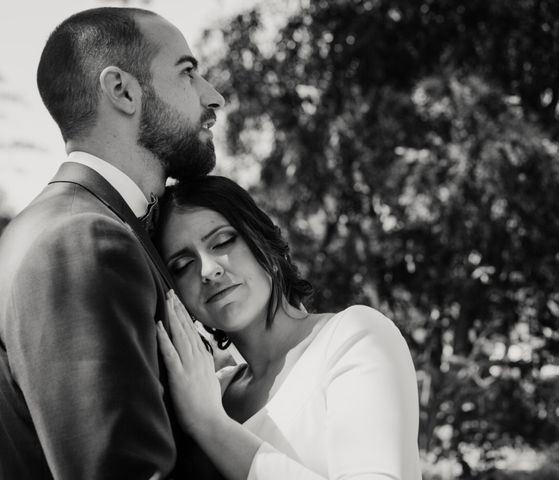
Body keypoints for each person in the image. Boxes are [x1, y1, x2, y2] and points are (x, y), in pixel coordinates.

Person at [0, 7, 225, 479]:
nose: (214, 95)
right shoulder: (82, 240)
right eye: (188, 73)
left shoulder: (76, 226)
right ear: (122, 91)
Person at [154, 175, 421, 480]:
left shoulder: (354, 337)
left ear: (263, 241)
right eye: (182, 265)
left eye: (223, 241)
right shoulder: (206, 393)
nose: (209, 270)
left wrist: (210, 425)